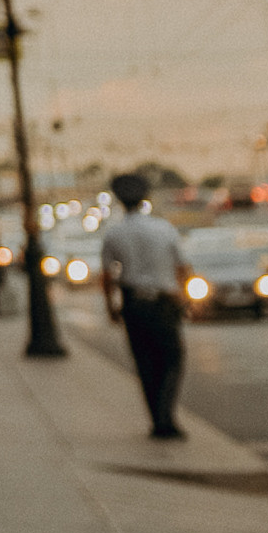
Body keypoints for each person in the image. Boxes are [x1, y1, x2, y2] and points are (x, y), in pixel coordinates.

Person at [100, 172, 190, 440]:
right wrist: (184, 298)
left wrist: (111, 308)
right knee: (172, 360)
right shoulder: (164, 228)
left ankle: (157, 418)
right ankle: (165, 417)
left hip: (134, 304)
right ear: (145, 199)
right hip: (164, 302)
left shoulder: (113, 233)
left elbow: (107, 277)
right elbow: (183, 267)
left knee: (145, 362)